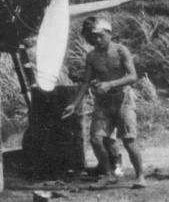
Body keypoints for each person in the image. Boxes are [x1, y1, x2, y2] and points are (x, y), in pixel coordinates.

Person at [62, 18, 145, 188]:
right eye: (94, 37)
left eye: (101, 36)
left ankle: (140, 176)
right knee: (96, 139)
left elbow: (133, 76)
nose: (97, 40)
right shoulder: (92, 56)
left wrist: (110, 84)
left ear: (109, 34)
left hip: (123, 98)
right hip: (103, 101)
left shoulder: (121, 50)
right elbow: (86, 82)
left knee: (128, 140)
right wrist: (74, 104)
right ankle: (108, 174)